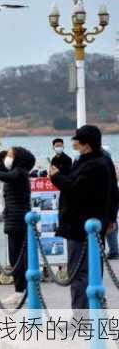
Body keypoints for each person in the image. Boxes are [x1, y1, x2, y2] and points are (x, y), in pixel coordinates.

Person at [49, 125, 116, 312]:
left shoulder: (95, 164)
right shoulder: (93, 160)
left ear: (86, 143)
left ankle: (81, 314)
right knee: (92, 268)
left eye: (77, 138)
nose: (73, 142)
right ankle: (95, 307)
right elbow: (114, 192)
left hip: (81, 225)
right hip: (91, 223)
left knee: (79, 271)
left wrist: (56, 177)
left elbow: (76, 190)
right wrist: (110, 218)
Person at [0, 146, 35, 305]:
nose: (7, 157)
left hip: (19, 221)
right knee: (15, 258)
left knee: (20, 258)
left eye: (10, 155)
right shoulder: (17, 173)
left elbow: (6, 177)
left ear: (18, 158)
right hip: (13, 220)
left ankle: (23, 291)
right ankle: (20, 290)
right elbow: (6, 177)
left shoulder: (20, 172)